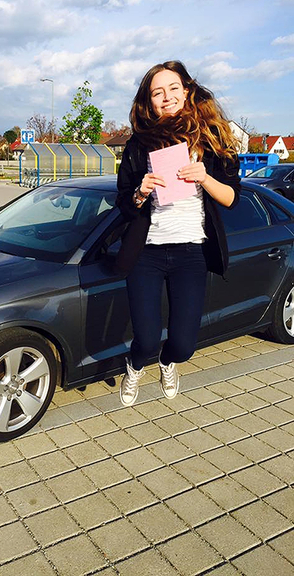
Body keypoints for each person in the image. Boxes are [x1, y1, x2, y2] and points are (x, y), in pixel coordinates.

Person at [116, 60, 241, 406]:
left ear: (186, 92)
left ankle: (168, 363)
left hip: (191, 253)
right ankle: (135, 366)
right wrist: (140, 192)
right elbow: (124, 204)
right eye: (157, 92)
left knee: (184, 345)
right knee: (145, 339)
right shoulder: (138, 145)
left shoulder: (210, 138)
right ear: (149, 102)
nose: (167, 97)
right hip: (147, 253)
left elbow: (232, 198)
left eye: (173, 88)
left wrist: (205, 177)